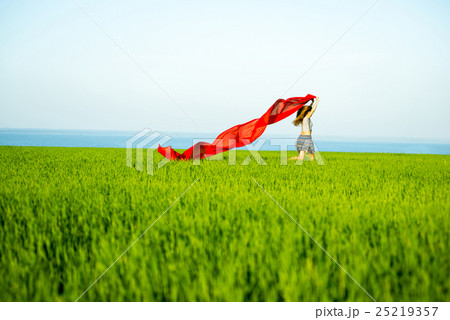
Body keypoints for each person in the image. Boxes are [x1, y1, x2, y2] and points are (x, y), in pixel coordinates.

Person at [289, 97, 319, 162]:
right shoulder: (306, 118)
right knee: (311, 157)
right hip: (307, 138)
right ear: (308, 112)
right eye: (310, 112)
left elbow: (310, 109)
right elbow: (313, 110)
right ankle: (287, 160)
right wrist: (317, 101)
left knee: (302, 158)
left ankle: (287, 160)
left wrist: (312, 102)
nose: (311, 113)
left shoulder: (304, 119)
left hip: (301, 138)